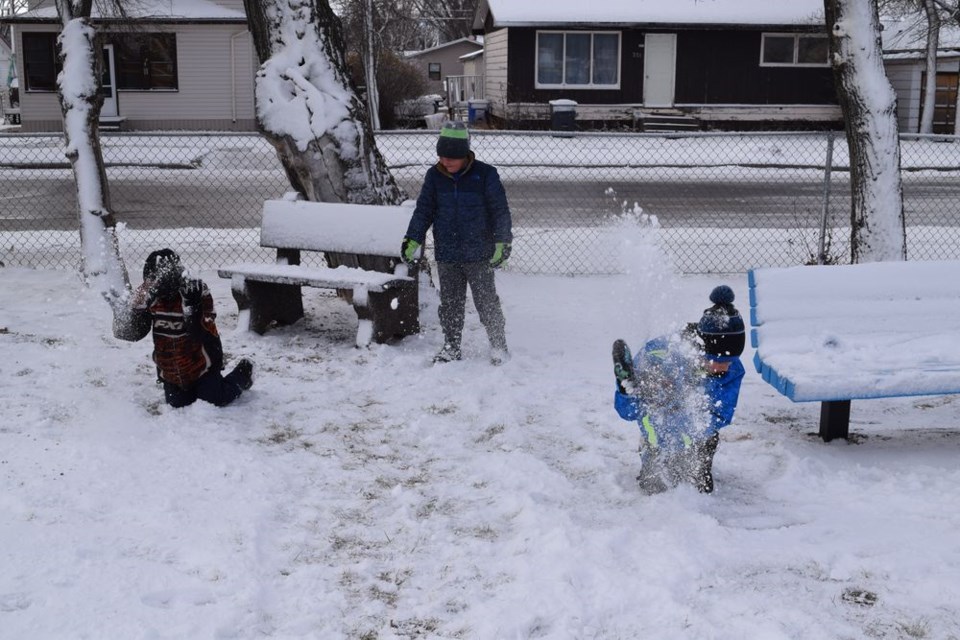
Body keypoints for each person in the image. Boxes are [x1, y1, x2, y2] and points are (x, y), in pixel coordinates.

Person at [611, 285, 746, 494]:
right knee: (653, 487)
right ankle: (633, 393)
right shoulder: (660, 354)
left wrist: (688, 416)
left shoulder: (732, 370)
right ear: (701, 348)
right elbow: (627, 414)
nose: (722, 367)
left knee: (700, 488)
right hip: (658, 427)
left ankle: (690, 464)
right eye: (715, 361)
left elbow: (721, 415)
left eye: (729, 361)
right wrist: (629, 394)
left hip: (698, 434)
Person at [400, 120, 513, 365]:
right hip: (447, 253)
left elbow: (500, 211)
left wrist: (503, 241)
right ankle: (451, 346)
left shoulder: (485, 175)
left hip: (479, 253)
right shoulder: (434, 176)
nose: (445, 161)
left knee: (486, 302)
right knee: (450, 305)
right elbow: (424, 211)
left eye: (452, 157)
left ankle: (498, 346)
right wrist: (413, 238)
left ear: (465, 154)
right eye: (441, 156)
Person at [114, 248, 253, 408]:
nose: (154, 285)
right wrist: (125, 315)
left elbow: (200, 332)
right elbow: (134, 334)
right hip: (171, 371)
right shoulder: (148, 294)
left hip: (202, 366)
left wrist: (192, 307)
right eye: (151, 279)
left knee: (215, 399)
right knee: (177, 404)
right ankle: (187, 389)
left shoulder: (196, 291)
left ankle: (245, 371)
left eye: (158, 280)